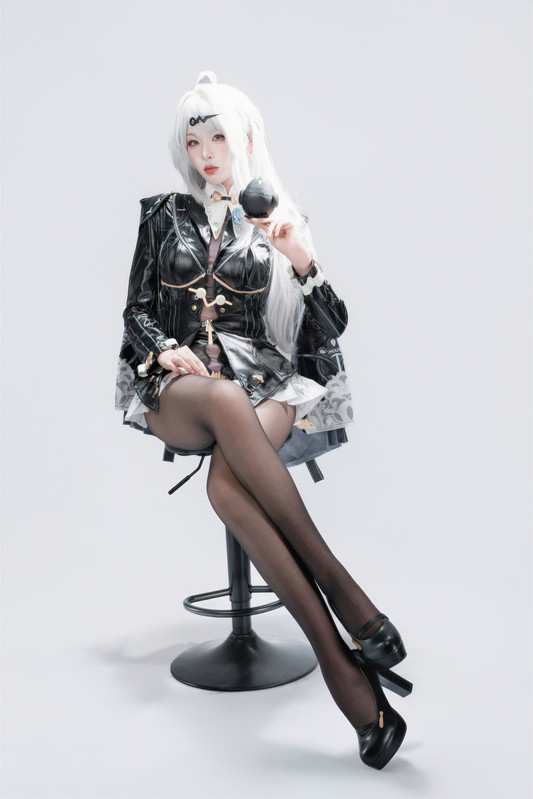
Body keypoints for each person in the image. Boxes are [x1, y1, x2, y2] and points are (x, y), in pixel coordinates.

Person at [115, 70, 410, 770]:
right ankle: (350, 598)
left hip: (269, 386)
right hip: (185, 387)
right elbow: (136, 310)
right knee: (220, 400)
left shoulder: (277, 213)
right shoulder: (162, 215)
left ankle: (348, 679)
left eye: (217, 137)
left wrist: (297, 255)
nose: (205, 154)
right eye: (194, 141)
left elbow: (330, 325)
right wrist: (165, 347)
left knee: (226, 487)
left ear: (245, 137)